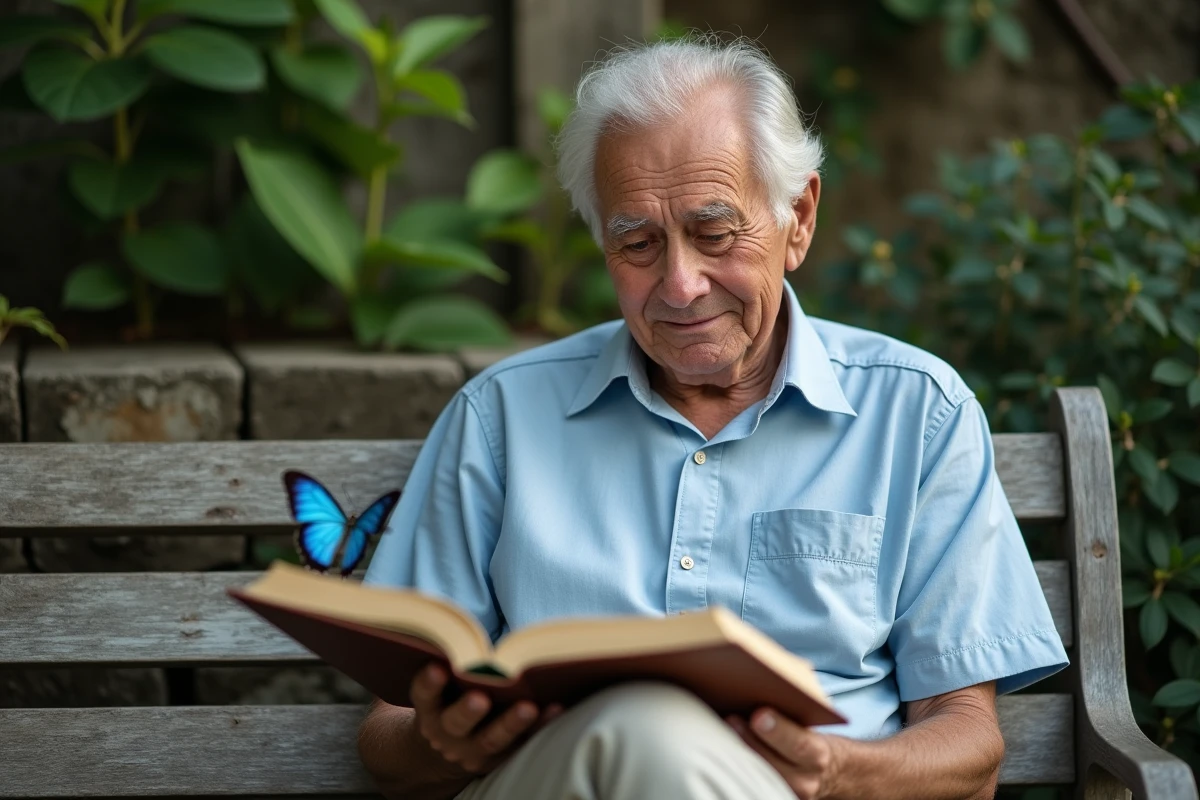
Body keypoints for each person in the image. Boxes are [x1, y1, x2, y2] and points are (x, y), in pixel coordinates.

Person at [357, 35, 1068, 800]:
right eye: (638, 243)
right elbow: (387, 737)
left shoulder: (916, 413)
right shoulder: (502, 416)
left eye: (715, 233)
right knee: (640, 728)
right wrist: (444, 741)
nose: (680, 285)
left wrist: (836, 770)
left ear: (799, 218)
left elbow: (970, 745)